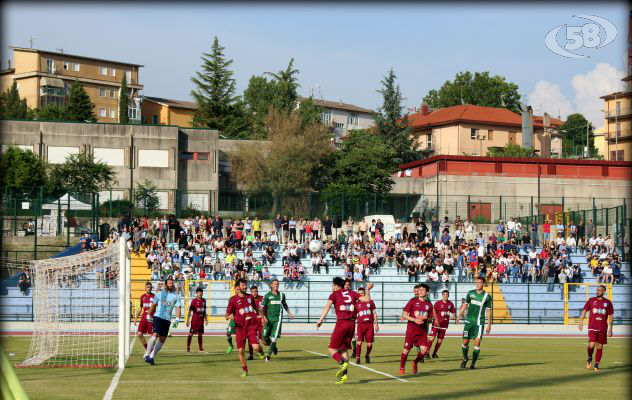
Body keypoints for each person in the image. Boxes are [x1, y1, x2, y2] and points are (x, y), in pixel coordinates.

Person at [316, 277, 374, 384]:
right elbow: (366, 300)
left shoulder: (334, 294)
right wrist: (368, 290)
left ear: (337, 285)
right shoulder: (352, 293)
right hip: (352, 324)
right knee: (343, 349)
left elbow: (327, 307)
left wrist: (320, 320)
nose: (332, 287)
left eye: (332, 285)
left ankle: (341, 363)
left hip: (342, 323)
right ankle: (344, 376)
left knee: (331, 349)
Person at [225, 278, 267, 377]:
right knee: (240, 350)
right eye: (243, 285)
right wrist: (235, 317)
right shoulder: (233, 300)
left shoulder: (250, 297)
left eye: (245, 285)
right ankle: (245, 370)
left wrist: (262, 316)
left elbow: (256, 308)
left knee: (256, 347)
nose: (245, 286)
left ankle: (261, 351)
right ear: (238, 287)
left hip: (251, 326)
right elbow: (227, 315)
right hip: (240, 329)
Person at [143, 277, 183, 365]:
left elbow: (178, 308)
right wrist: (148, 314)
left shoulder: (176, 296)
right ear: (165, 284)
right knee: (155, 336)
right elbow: (153, 305)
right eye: (169, 283)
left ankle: (151, 357)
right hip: (158, 317)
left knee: (162, 340)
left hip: (167, 320)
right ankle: (146, 354)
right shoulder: (159, 294)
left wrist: (177, 318)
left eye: (172, 283)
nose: (171, 284)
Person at [456, 277, 492, 369]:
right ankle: (465, 359)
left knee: (477, 342)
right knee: (465, 342)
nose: (478, 284)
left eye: (480, 282)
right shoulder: (470, 293)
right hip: (469, 321)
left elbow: (488, 311)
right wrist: (459, 315)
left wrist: (489, 325)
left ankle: (473, 364)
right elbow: (465, 305)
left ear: (483, 283)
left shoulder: (487, 296)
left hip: (479, 322)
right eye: (476, 282)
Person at [400, 283, 433, 376]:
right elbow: (404, 315)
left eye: (422, 290)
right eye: (419, 289)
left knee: (424, 350)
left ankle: (415, 362)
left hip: (422, 332)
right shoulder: (412, 301)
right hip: (411, 331)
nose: (420, 291)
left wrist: (425, 318)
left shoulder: (429, 305)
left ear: (427, 292)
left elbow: (431, 318)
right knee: (406, 350)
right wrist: (415, 319)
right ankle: (402, 367)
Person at [578, 285, 614, 372]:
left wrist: (610, 329)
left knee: (600, 346)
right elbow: (584, 311)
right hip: (592, 327)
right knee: (591, 345)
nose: (597, 291)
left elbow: (611, 316)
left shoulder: (608, 302)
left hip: (603, 328)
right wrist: (581, 322)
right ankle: (589, 357)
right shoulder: (591, 300)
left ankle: (596, 365)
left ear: (603, 291)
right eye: (597, 290)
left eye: (599, 290)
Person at [261, 279, 295, 361]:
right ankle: (274, 346)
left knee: (274, 338)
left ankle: (268, 356)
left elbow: (284, 304)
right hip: (268, 319)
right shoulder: (267, 296)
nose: (276, 285)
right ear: (271, 285)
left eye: (277, 284)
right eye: (275, 284)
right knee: (264, 336)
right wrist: (264, 317)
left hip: (278, 319)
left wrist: (289, 313)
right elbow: (261, 307)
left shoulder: (281, 295)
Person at [425, 289, 455, 359]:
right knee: (431, 338)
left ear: (448, 296)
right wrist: (435, 319)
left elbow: (453, 313)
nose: (445, 296)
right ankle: (427, 353)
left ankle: (434, 353)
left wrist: (452, 315)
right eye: (444, 294)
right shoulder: (438, 303)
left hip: (444, 325)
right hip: (436, 324)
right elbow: (433, 311)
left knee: (439, 340)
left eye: (447, 295)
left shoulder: (450, 304)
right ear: (442, 295)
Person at [353, 287, 379, 364]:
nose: (361, 294)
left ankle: (367, 355)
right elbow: (354, 315)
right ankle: (358, 358)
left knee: (369, 344)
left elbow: (374, 313)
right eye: (359, 293)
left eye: (362, 293)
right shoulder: (356, 304)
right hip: (360, 325)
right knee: (359, 342)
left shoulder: (370, 302)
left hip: (369, 325)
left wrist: (376, 324)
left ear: (365, 293)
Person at [186, 287, 208, 352]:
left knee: (200, 334)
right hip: (195, 321)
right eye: (198, 293)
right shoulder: (194, 301)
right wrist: (188, 320)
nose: (200, 294)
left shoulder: (204, 300)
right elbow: (190, 311)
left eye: (201, 292)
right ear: (196, 293)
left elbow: (204, 311)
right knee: (191, 334)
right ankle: (188, 346)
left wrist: (206, 320)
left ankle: (200, 347)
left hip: (201, 321)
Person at [134, 282, 155, 350]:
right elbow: (140, 308)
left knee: (152, 335)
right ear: (145, 288)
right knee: (139, 334)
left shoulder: (154, 296)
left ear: (151, 288)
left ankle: (150, 349)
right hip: (144, 317)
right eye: (147, 287)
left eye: (150, 287)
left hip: (151, 317)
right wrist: (136, 318)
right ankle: (147, 349)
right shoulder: (142, 297)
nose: (149, 288)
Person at [247, 286, 264, 360]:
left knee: (263, 340)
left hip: (260, 323)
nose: (255, 293)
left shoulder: (262, 299)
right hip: (252, 323)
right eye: (253, 291)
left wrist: (263, 317)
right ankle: (251, 355)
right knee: (250, 339)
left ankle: (261, 350)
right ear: (251, 292)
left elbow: (265, 309)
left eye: (256, 291)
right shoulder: (248, 300)